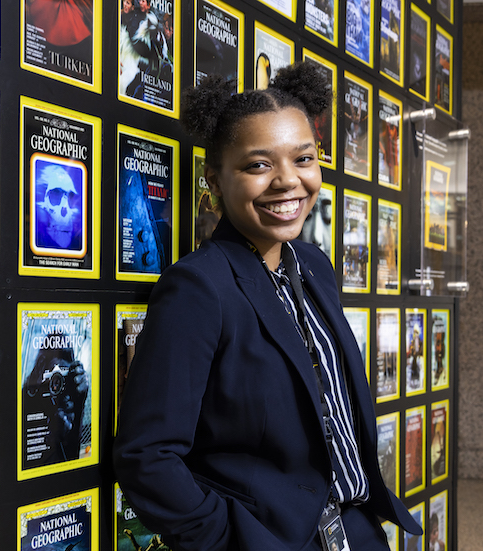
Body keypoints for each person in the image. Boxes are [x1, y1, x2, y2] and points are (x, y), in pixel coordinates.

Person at [113, 61, 422, 550]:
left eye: (303, 159)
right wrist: (231, 541)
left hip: (358, 531)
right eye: (259, 165)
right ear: (214, 181)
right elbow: (146, 456)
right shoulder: (198, 287)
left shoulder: (315, 267)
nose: (287, 182)